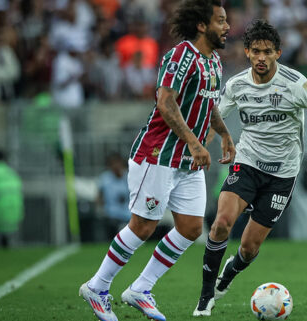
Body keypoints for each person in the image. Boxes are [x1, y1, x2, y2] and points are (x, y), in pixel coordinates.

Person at [79, 1, 235, 321]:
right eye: (220, 20)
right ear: (203, 25)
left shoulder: (215, 62)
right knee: (143, 225)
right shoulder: (181, 55)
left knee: (191, 228)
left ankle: (141, 288)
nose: (227, 26)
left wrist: (225, 134)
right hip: (158, 154)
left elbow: (209, 106)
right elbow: (165, 102)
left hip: (187, 160)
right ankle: (98, 286)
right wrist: (194, 143)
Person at [192, 19, 307, 316]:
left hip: (282, 174)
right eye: (256, 51)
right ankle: (205, 296)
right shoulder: (237, 85)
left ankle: (230, 273)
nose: (261, 58)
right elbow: (213, 117)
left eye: (268, 52)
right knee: (221, 222)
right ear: (247, 52)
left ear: (278, 53)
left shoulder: (296, 83)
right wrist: (199, 146)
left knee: (248, 248)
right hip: (247, 163)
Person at [97, 153, 132, 239]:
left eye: (118, 163)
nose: (116, 166)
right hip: (111, 214)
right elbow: (99, 196)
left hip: (128, 213)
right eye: (113, 164)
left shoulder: (128, 177)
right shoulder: (105, 178)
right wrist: (100, 209)